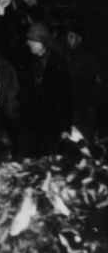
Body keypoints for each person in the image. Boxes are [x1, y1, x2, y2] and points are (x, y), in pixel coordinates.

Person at [19, 23, 72, 157]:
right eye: (29, 40)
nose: (29, 43)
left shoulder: (59, 64)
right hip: (30, 125)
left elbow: (67, 98)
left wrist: (66, 127)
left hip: (52, 125)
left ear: (43, 42)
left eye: (33, 40)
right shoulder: (26, 61)